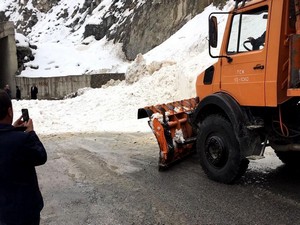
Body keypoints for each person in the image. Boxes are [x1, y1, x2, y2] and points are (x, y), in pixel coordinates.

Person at [0, 90, 47, 225]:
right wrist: (31, 133)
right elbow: (41, 156)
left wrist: (11, 128)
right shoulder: (22, 140)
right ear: (10, 111)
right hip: (24, 211)